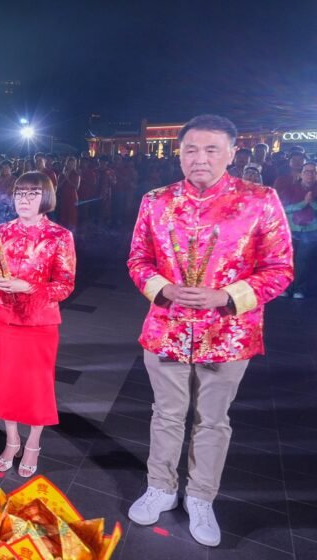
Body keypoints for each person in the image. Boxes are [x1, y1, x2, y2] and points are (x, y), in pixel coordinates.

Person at [126, 115, 293, 547]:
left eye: (211, 149)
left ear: (232, 153)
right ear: (179, 154)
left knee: (213, 421)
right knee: (165, 414)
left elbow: (280, 269)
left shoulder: (260, 200)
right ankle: (160, 487)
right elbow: (138, 260)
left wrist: (226, 296)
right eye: (191, 150)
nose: (199, 158)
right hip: (166, 329)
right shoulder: (156, 201)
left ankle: (201, 496)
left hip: (229, 333)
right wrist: (163, 289)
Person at [0, 172, 75, 478]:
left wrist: (29, 287)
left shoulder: (59, 236)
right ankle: (12, 440)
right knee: (6, 383)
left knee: (36, 387)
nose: (25, 199)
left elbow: (65, 284)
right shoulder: (1, 232)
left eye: (33, 194)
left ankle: (33, 443)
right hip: (5, 320)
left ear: (46, 198)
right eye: (20, 193)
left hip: (38, 323)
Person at [279, 162, 317, 299]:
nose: (310, 174)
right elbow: (283, 208)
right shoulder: (290, 189)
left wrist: (311, 203)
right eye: (307, 171)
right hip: (291, 230)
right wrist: (303, 203)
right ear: (301, 174)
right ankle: (286, 287)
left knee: (303, 261)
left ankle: (299, 289)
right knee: (288, 260)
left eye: (313, 172)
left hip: (311, 232)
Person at [56, 156, 80, 231]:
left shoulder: (76, 174)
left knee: (72, 213)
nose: (70, 165)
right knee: (63, 212)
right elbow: (58, 186)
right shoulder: (61, 174)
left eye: (72, 164)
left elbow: (76, 187)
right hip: (64, 196)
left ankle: (72, 231)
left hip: (72, 196)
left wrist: (67, 178)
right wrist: (64, 178)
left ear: (75, 165)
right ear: (66, 164)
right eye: (69, 164)